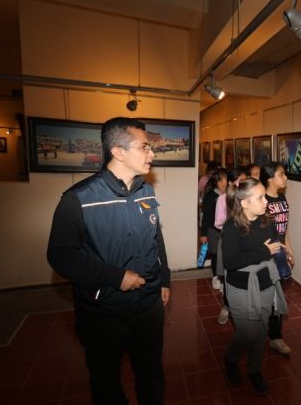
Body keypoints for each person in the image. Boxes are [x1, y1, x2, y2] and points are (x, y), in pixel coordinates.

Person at [47, 117, 170, 405]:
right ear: (118, 152)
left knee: (151, 372)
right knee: (106, 381)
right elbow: (60, 255)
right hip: (103, 310)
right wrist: (115, 276)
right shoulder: (77, 200)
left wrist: (164, 280)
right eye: (144, 147)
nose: (152, 154)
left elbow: (157, 240)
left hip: (149, 304)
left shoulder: (146, 191)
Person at [221, 178, 288, 395]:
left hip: (266, 282)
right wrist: (264, 252)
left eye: (264, 196)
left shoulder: (266, 219)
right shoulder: (232, 227)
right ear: (245, 203)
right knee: (248, 332)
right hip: (241, 286)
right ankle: (231, 359)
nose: (265, 201)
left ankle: (255, 369)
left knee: (261, 331)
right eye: (260, 197)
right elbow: (230, 262)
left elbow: (274, 239)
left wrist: (284, 248)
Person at [259, 162, 294, 356]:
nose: (285, 178)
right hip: (267, 255)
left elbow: (284, 228)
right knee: (268, 295)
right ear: (270, 178)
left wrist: (289, 249)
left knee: (276, 296)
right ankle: (265, 332)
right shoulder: (262, 200)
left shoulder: (281, 197)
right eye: (282, 174)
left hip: (280, 253)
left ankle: (275, 336)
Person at [213, 168, 247, 325]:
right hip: (228, 239)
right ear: (233, 183)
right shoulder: (223, 199)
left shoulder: (248, 198)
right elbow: (218, 222)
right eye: (242, 181)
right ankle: (226, 306)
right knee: (229, 274)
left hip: (245, 240)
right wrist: (233, 223)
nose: (245, 184)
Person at [200, 168, 228, 290]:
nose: (225, 181)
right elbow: (206, 217)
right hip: (213, 231)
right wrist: (203, 234)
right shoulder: (211, 196)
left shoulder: (229, 194)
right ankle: (216, 277)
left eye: (226, 178)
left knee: (225, 255)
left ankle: (224, 277)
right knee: (216, 255)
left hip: (226, 230)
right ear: (217, 181)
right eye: (222, 179)